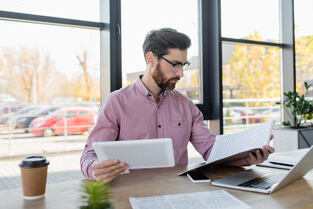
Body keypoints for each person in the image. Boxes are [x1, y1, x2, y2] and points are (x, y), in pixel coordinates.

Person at [80, 28, 274, 183]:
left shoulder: (186, 106)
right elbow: (89, 156)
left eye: (183, 65)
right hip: (131, 192)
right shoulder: (116, 102)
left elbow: (211, 150)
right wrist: (95, 168)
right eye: (175, 64)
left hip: (177, 191)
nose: (181, 73)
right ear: (151, 59)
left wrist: (247, 157)